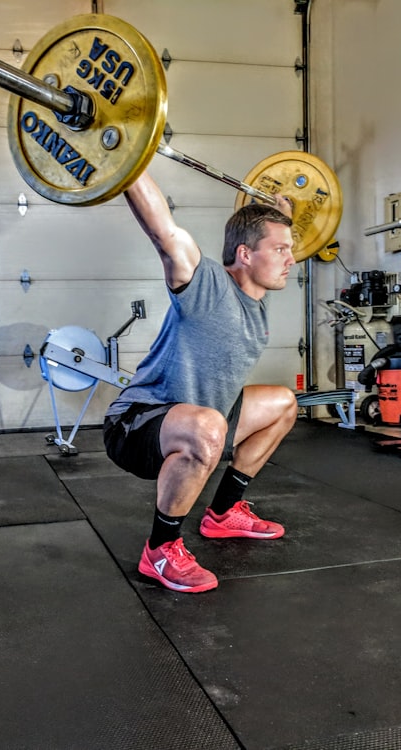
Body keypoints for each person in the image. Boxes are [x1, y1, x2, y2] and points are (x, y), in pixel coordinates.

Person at [103, 171, 299, 594]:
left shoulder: (257, 301)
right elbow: (164, 231)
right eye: (281, 250)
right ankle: (160, 549)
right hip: (138, 424)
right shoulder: (205, 283)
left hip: (204, 419)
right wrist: (128, 164)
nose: (291, 259)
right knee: (208, 426)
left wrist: (282, 215)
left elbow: (274, 235)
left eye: (291, 249)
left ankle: (224, 513)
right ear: (244, 255)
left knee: (283, 402)